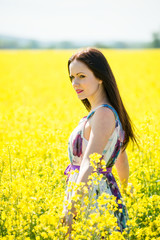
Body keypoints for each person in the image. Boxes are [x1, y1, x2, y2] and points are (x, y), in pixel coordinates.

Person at [62, 47, 138, 237]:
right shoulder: (103, 113)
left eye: (81, 76)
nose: (75, 83)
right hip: (90, 191)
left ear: (100, 77)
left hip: (93, 197)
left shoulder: (103, 114)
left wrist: (72, 207)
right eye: (72, 77)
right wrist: (126, 190)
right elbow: (120, 157)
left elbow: (90, 160)